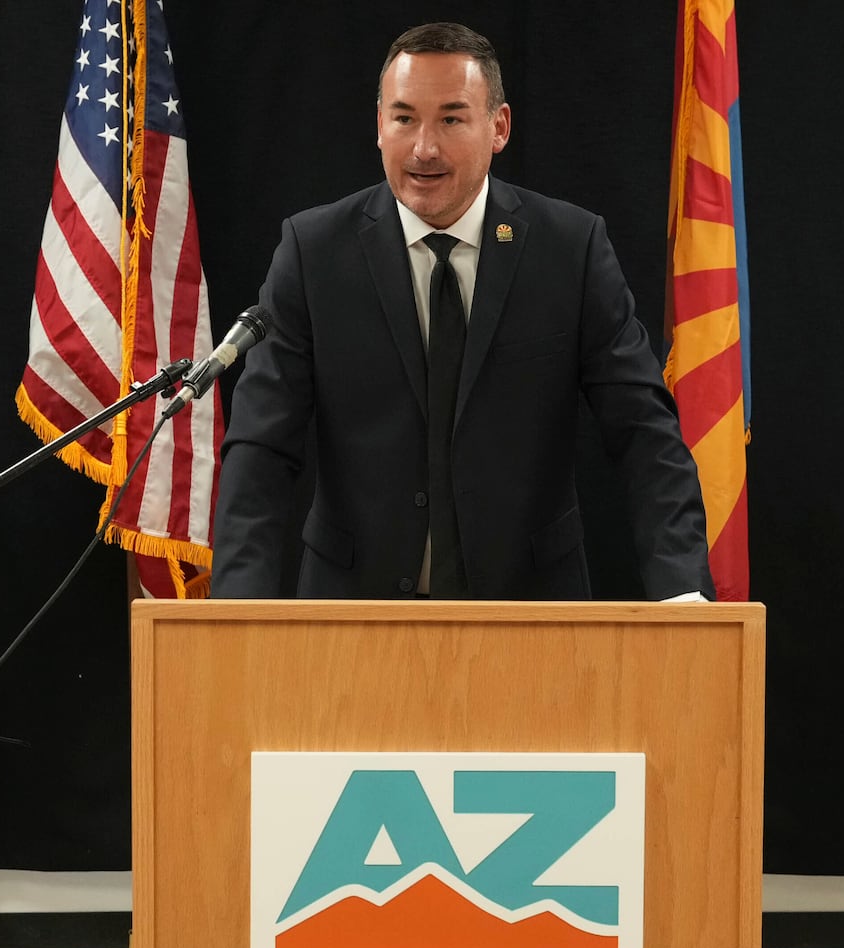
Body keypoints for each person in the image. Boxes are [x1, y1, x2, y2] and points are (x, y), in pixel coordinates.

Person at [212, 22, 713, 601]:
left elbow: (644, 433)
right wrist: (238, 610)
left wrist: (681, 591)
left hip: (530, 617)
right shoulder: (313, 251)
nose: (424, 147)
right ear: (379, 126)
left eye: (451, 118)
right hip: (350, 623)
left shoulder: (570, 248)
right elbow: (261, 446)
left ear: (498, 127)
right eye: (404, 118)